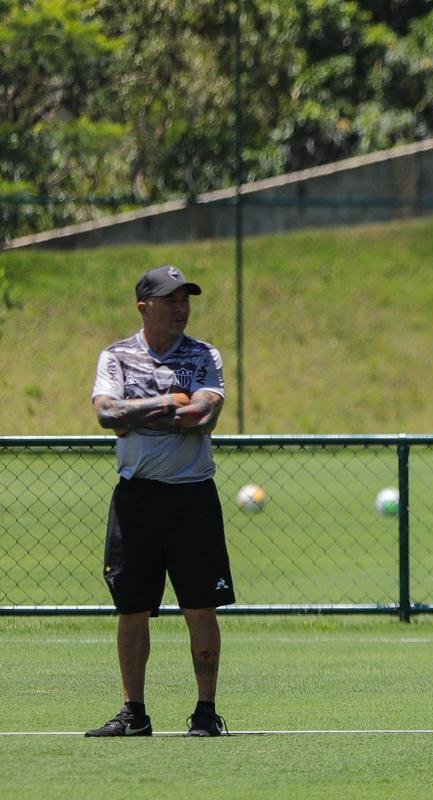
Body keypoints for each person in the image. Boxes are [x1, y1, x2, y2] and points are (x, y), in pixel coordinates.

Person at [86, 264, 234, 737]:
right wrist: (170, 402)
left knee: (200, 607)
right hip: (138, 498)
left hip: (192, 497)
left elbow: (203, 415)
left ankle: (206, 713)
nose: (181, 308)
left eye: (185, 299)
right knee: (131, 609)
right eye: (171, 299)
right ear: (143, 306)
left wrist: (138, 416)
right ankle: (134, 713)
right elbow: (106, 413)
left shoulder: (203, 354)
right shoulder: (116, 356)